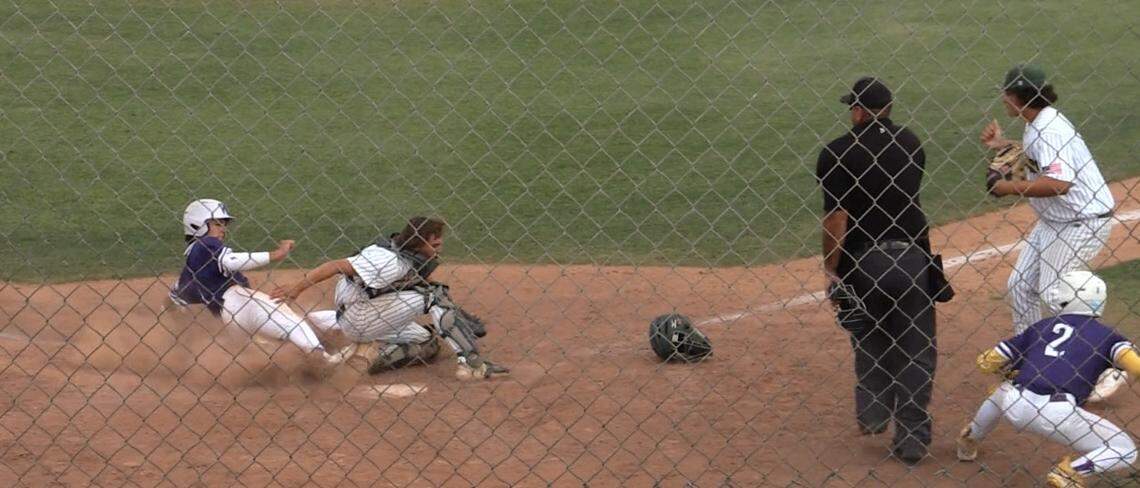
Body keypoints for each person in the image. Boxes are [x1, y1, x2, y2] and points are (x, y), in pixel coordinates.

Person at [817, 77, 938, 464]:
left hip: (863, 265)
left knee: (869, 337)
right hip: (912, 258)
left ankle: (872, 415)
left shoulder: (836, 152)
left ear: (857, 110)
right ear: (887, 108)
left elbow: (836, 219)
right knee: (916, 349)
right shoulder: (910, 143)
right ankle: (912, 439)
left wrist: (831, 270)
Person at [956, 271, 1138, 487]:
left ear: (1063, 298)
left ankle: (970, 437)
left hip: (1015, 402)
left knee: (1001, 391)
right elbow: (1135, 366)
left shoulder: (1042, 326)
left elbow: (987, 362)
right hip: (1058, 415)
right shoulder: (1108, 336)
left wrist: (1006, 369)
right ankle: (1070, 472)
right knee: (1125, 449)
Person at [271, 217, 509, 380]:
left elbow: (409, 285)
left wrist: (456, 316)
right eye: (435, 243)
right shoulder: (387, 261)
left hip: (363, 311)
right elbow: (335, 265)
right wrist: (296, 288)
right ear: (420, 241)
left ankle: (356, 362)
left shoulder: (408, 257)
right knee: (434, 295)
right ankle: (471, 364)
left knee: (427, 342)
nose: (440, 247)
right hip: (359, 316)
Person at [982, 64, 1115, 335]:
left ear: (1018, 98)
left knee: (1055, 293)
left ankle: (1093, 351)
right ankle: (1029, 354)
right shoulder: (1039, 121)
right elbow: (1039, 159)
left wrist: (1008, 188)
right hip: (1055, 221)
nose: (1003, 99)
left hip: (1082, 221)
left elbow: (1059, 183)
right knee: (1020, 286)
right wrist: (1002, 145)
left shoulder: (1050, 130)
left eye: (1006, 94)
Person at [170, 199, 343, 367]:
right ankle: (322, 358)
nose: (223, 229)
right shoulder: (206, 244)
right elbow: (230, 261)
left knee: (296, 325)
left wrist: (182, 332)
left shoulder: (191, 268)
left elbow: (175, 298)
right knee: (290, 321)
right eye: (217, 224)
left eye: (224, 224)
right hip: (240, 302)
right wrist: (277, 254)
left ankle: (334, 334)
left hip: (231, 322)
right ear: (198, 225)